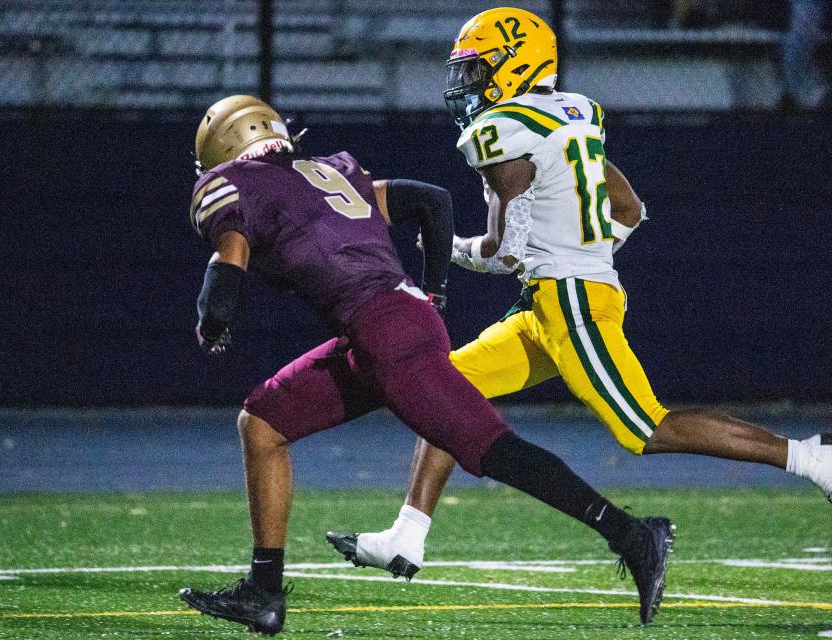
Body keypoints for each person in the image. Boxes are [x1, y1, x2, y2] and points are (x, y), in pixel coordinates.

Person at [327, 6, 832, 587]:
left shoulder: (498, 131)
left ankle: (812, 457)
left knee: (645, 429)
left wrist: (446, 245)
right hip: (555, 299)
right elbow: (629, 208)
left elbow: (504, 253)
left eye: (479, 71)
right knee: (447, 393)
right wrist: (585, 254)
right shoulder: (576, 112)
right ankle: (406, 537)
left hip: (569, 300)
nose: (468, 85)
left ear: (516, 64)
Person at [176, 95, 674, 635]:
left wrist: (214, 321)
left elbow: (230, 256)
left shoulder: (235, 185)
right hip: (385, 326)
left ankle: (630, 533)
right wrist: (432, 293)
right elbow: (432, 203)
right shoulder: (331, 170)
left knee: (492, 450)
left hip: (386, 333)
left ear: (225, 147)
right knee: (264, 420)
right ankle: (264, 593)